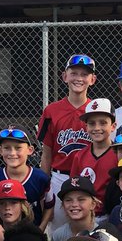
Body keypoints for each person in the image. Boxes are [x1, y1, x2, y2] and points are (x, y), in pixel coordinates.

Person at [37, 53, 96, 226]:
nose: (79, 78)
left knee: (90, 229)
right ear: (65, 76)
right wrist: (44, 187)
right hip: (59, 178)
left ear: (92, 79)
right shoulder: (51, 111)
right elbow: (47, 154)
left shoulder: (97, 110)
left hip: (90, 176)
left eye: (84, 74)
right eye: (74, 73)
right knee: (58, 231)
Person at [0, 126, 52, 226]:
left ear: (30, 150)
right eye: (7, 148)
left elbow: (49, 206)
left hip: (32, 235)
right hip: (4, 234)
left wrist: (40, 230)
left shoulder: (41, 178)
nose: (12, 153)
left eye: (18, 148)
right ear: (0, 150)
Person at [44, 176, 99, 241]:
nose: (74, 204)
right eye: (68, 200)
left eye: (81, 199)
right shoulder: (59, 235)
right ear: (63, 205)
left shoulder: (101, 233)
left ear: (93, 204)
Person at [67, 98, 117, 208]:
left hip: (110, 213)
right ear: (86, 127)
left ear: (113, 126)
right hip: (84, 212)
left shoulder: (118, 154)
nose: (97, 128)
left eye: (103, 123)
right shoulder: (80, 156)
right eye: (92, 123)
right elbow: (73, 187)